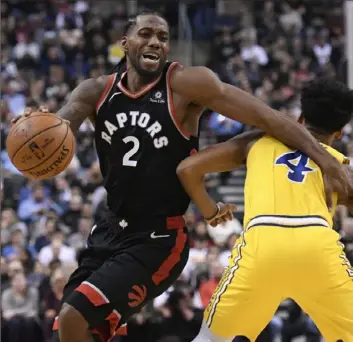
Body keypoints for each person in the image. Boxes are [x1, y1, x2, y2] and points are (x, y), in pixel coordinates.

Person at [12, 10, 351, 342]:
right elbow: (59, 124)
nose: (156, 42)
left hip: (158, 236)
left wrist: (327, 161)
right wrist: (34, 127)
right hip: (110, 228)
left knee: (75, 318)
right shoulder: (94, 91)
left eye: (163, 37)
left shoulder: (187, 84)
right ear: (125, 42)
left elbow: (269, 118)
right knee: (69, 330)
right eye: (145, 34)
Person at [177, 78, 353, 341]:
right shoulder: (338, 168)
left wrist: (210, 210)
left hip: (263, 243)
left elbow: (187, 169)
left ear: (300, 117)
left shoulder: (258, 142)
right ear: (339, 132)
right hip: (317, 246)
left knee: (210, 338)